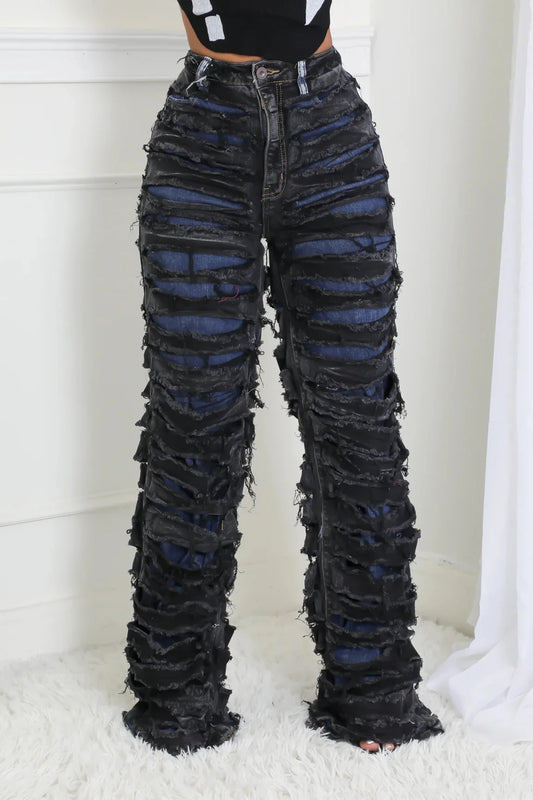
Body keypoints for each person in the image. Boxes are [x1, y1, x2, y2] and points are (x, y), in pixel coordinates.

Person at [121, 0, 445, 757]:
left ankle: (373, 692)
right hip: (201, 141)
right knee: (193, 426)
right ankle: (177, 697)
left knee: (357, 425)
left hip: (329, 133)